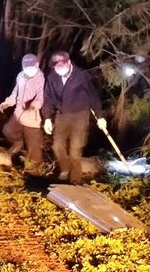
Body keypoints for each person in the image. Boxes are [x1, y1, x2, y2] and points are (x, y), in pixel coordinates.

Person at [41, 51, 106, 185]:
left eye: (62, 66)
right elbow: (48, 98)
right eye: (57, 67)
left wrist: (99, 116)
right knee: (57, 145)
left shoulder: (81, 75)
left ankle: (75, 179)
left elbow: (93, 96)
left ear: (69, 62)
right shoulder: (52, 77)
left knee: (75, 150)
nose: (59, 70)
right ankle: (65, 168)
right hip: (62, 114)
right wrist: (47, 118)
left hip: (80, 115)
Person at [0, 53, 45, 173]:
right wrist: (7, 102)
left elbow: (41, 96)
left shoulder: (41, 79)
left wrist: (35, 104)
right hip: (18, 114)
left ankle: (34, 172)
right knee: (8, 130)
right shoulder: (21, 76)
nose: (29, 69)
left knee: (33, 147)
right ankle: (18, 142)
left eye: (31, 67)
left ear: (37, 65)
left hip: (32, 117)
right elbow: (16, 92)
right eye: (26, 67)